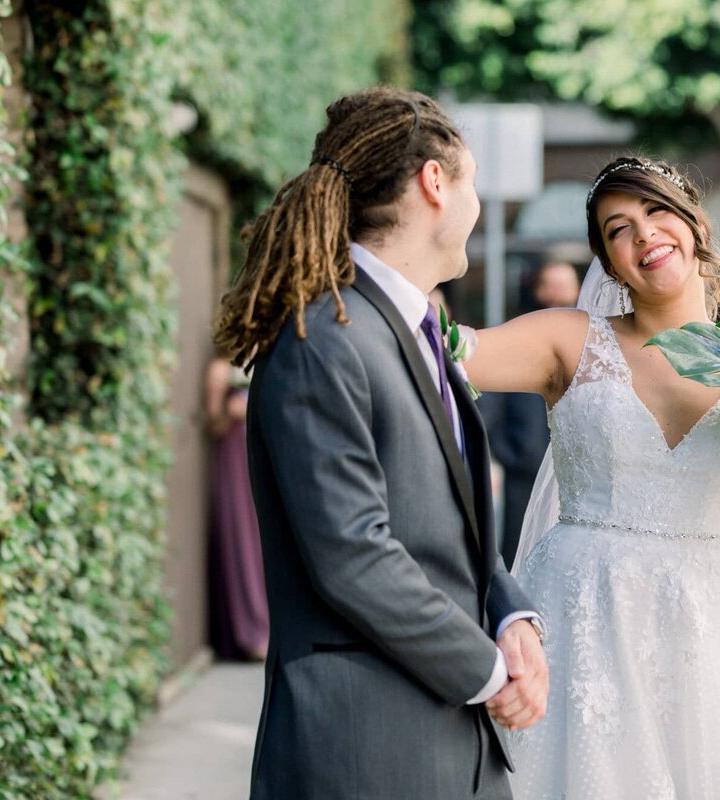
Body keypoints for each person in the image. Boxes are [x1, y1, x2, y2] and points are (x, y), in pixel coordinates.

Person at [462, 157, 720, 798]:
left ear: (694, 222)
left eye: (655, 210)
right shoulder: (568, 339)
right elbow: (448, 350)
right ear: (608, 263)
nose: (642, 235)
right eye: (618, 229)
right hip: (580, 611)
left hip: (710, 629)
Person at [212, 88, 544, 800]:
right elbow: (353, 555)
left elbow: (451, 521)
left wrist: (510, 612)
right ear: (435, 181)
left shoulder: (414, 327)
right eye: (473, 181)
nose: (477, 203)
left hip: (451, 742)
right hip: (363, 747)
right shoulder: (321, 339)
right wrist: (487, 673)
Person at [481, 260, 581, 567]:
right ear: (537, 289)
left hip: (577, 482)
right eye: (549, 284)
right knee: (518, 555)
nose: (556, 293)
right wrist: (511, 454)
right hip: (523, 473)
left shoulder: (590, 345)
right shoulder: (519, 337)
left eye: (564, 285)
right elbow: (491, 405)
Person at [205, 356, 269, 661]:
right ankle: (252, 632)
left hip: (268, 463)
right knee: (242, 539)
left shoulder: (274, 357)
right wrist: (228, 409)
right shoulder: (222, 369)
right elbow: (213, 424)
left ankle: (273, 627)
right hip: (235, 463)